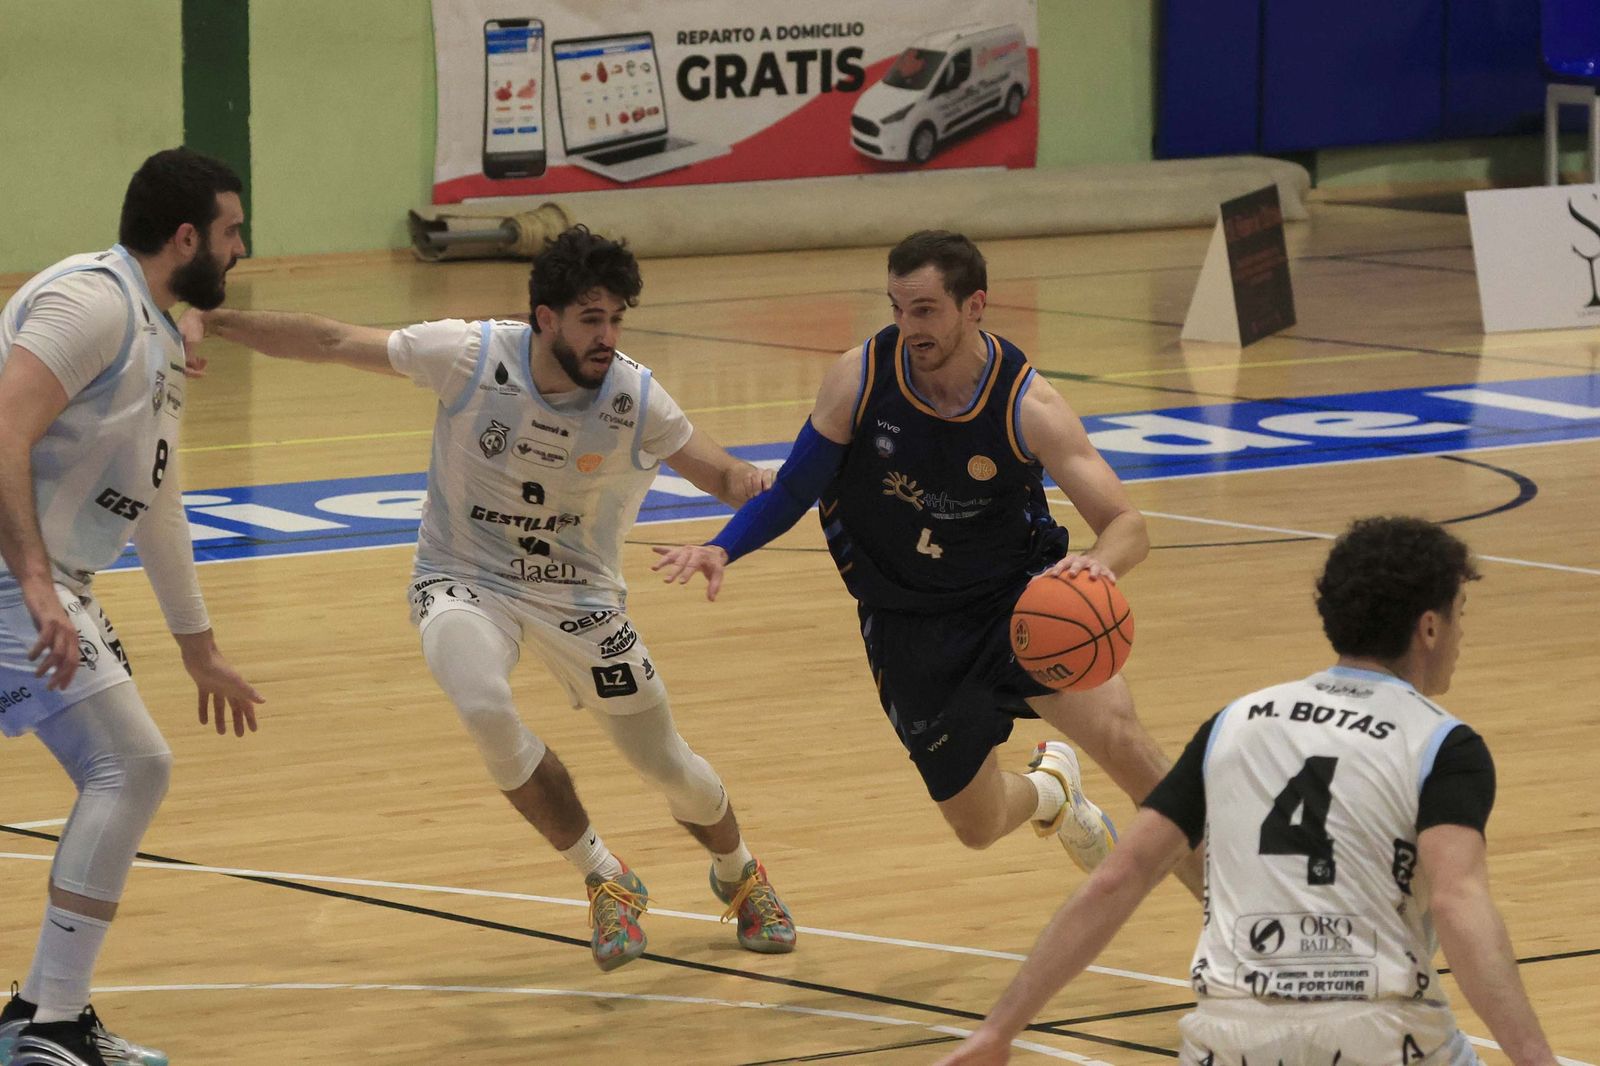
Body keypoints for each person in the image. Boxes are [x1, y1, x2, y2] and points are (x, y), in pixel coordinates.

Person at [185, 225, 796, 972]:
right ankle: (607, 879)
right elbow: (329, 338)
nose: (606, 337)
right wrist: (211, 318)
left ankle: (739, 874)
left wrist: (771, 489)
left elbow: (725, 474)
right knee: (482, 704)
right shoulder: (471, 356)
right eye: (590, 319)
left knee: (667, 764)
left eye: (614, 321)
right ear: (545, 318)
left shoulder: (634, 397)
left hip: (581, 597)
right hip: (463, 578)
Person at [653, 230, 1202, 895]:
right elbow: (796, 487)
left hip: (1018, 602)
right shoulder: (860, 378)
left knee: (1124, 741)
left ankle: (1234, 925)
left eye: (926, 310)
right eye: (897, 309)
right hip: (907, 623)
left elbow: (1128, 526)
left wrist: (1093, 568)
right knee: (978, 823)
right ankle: (1050, 793)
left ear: (975, 307)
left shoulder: (1029, 407)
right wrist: (722, 546)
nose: (908, 327)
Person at [933, 516, 1560, 1066]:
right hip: (1380, 1030)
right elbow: (1455, 902)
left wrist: (999, 1030)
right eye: (1458, 615)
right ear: (1428, 627)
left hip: (1230, 1037)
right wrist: (1534, 1058)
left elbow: (1113, 880)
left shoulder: (1237, 722)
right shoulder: (1442, 745)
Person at [0, 147, 261, 1066]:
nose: (241, 249)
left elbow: (157, 502)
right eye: (231, 231)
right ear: (186, 237)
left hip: (47, 579)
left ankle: (41, 1011)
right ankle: (48, 1023)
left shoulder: (156, 333)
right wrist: (34, 581)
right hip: (11, 574)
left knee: (131, 765)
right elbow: (2, 426)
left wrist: (199, 647)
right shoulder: (93, 303)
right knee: (130, 765)